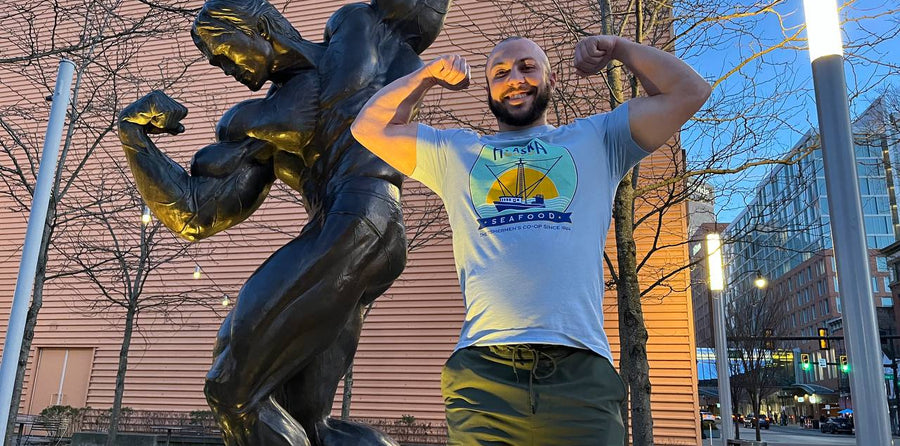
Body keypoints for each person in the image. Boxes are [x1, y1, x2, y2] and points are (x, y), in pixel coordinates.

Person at [117, 0, 450, 445]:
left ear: (261, 26)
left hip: (354, 221)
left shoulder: (361, 28)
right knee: (306, 420)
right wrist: (135, 138)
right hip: (365, 234)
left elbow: (420, 10)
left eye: (222, 48)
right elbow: (196, 214)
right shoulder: (261, 125)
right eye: (212, 59)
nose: (220, 64)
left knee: (232, 390)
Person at [351, 34, 710, 444]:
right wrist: (428, 75)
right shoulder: (453, 152)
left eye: (527, 67)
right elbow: (369, 127)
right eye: (500, 73)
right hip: (484, 377)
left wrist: (619, 48)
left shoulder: (599, 139)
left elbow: (689, 91)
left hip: (581, 374)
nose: (514, 78)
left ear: (551, 80)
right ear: (488, 90)